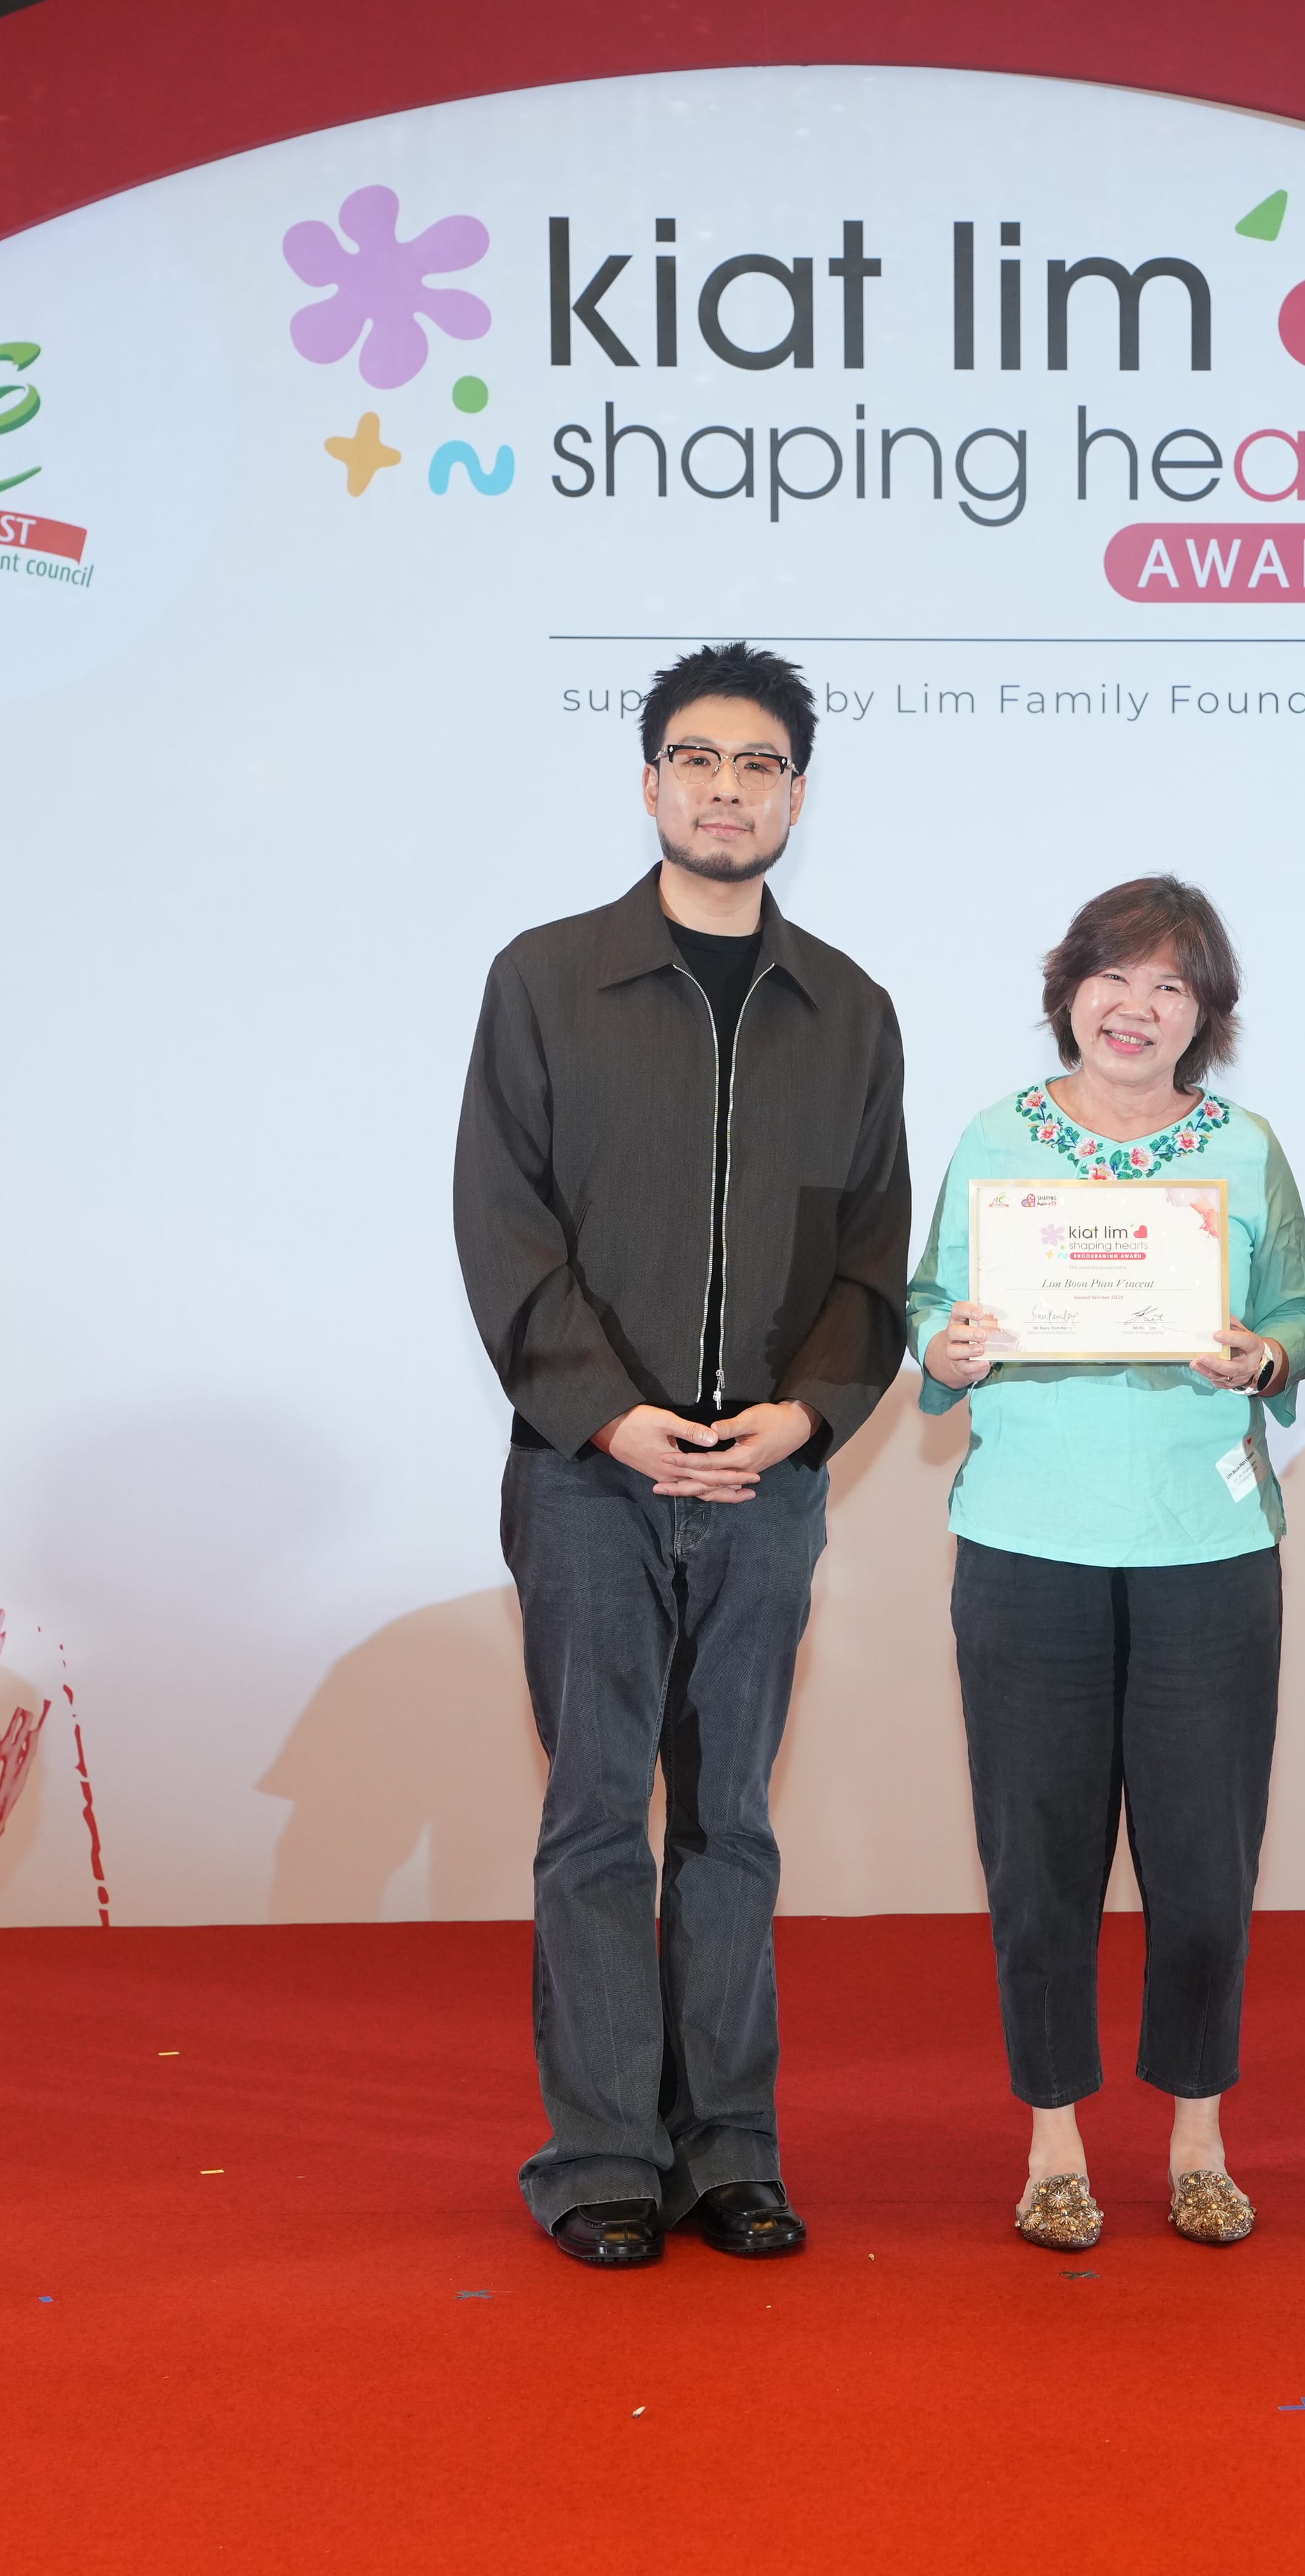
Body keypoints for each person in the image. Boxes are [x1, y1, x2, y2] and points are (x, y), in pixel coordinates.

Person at [454, 641, 911, 2269]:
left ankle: (729, 2147)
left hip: (767, 1485)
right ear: (650, 781)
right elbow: (503, 1229)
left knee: (732, 1822)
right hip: (588, 1472)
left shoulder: (849, 1009)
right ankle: (598, 2157)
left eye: (761, 765)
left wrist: (804, 1418)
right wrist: (608, 1411)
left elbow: (875, 1257)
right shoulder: (546, 980)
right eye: (699, 761)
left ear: (799, 793)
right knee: (595, 1816)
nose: (730, 789)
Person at [906, 878, 1305, 2253]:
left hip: (1204, 1544)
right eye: (1115, 977)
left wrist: (1268, 1358)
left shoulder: (1244, 1147)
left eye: (1173, 988)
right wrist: (946, 1348)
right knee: (1040, 1859)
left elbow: (1300, 1315)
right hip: (1027, 1539)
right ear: (1068, 988)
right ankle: (1052, 2144)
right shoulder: (995, 1139)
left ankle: (1199, 2135)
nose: (1137, 1009)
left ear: (1204, 1016)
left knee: (1206, 1861)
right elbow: (926, 1298)